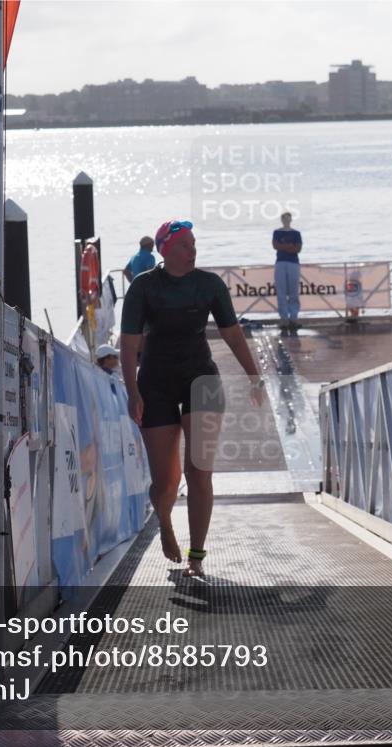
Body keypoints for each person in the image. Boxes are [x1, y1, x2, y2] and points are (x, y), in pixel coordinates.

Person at [120, 220, 265, 577]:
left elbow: (232, 335)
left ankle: (196, 557)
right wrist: (132, 392)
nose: (192, 251)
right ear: (165, 250)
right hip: (155, 382)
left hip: (202, 380)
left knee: (198, 472)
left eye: (194, 244)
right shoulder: (144, 287)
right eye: (184, 245)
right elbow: (129, 345)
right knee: (166, 482)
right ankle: (166, 526)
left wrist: (254, 376)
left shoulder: (210, 285)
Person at [271, 212, 302, 332]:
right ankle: (284, 318)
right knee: (281, 291)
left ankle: (294, 318)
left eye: (288, 218)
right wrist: (289, 246)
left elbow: (298, 248)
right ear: (281, 220)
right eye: (284, 218)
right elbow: (275, 245)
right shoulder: (277, 232)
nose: (286, 220)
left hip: (293, 263)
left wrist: (284, 246)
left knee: (294, 291)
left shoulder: (296, 233)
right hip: (280, 262)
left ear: (291, 219)